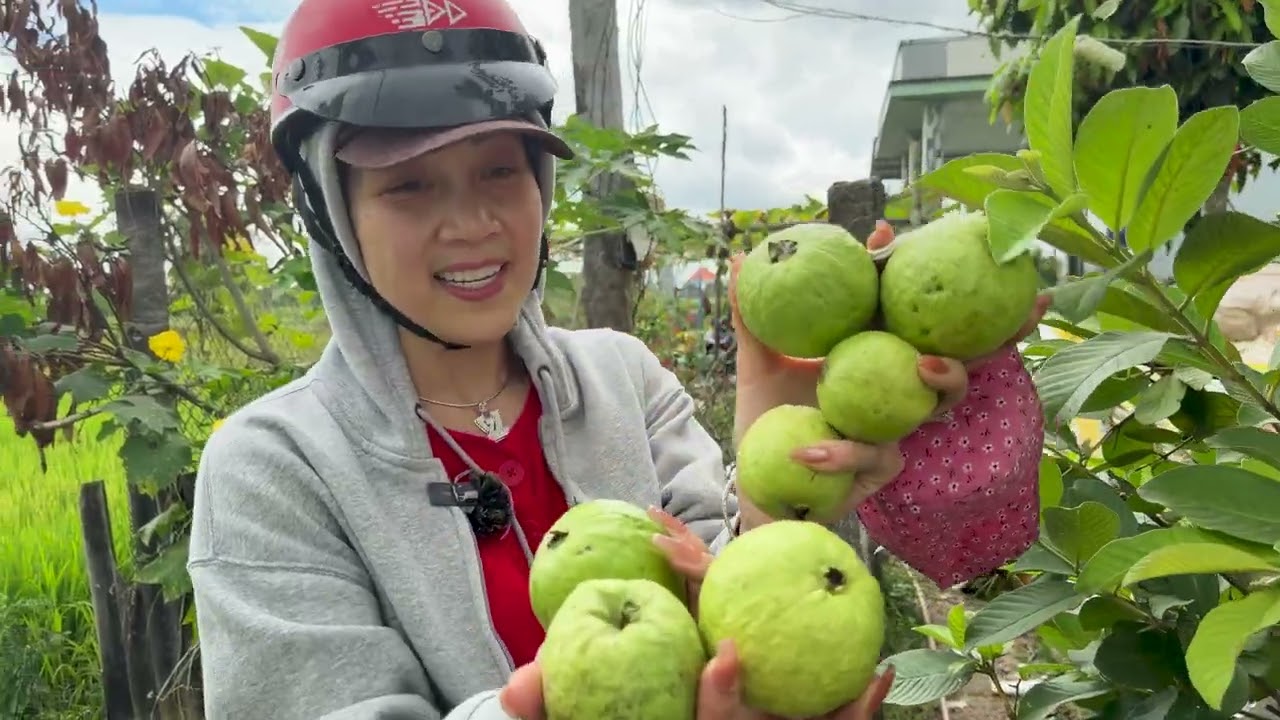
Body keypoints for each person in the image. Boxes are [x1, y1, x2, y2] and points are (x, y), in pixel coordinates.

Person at [186, 0, 1049, 718]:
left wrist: (784, 485)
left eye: (500, 170)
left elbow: (742, 606)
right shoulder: (272, 469)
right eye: (408, 184)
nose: (473, 224)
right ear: (332, 211)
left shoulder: (625, 379)